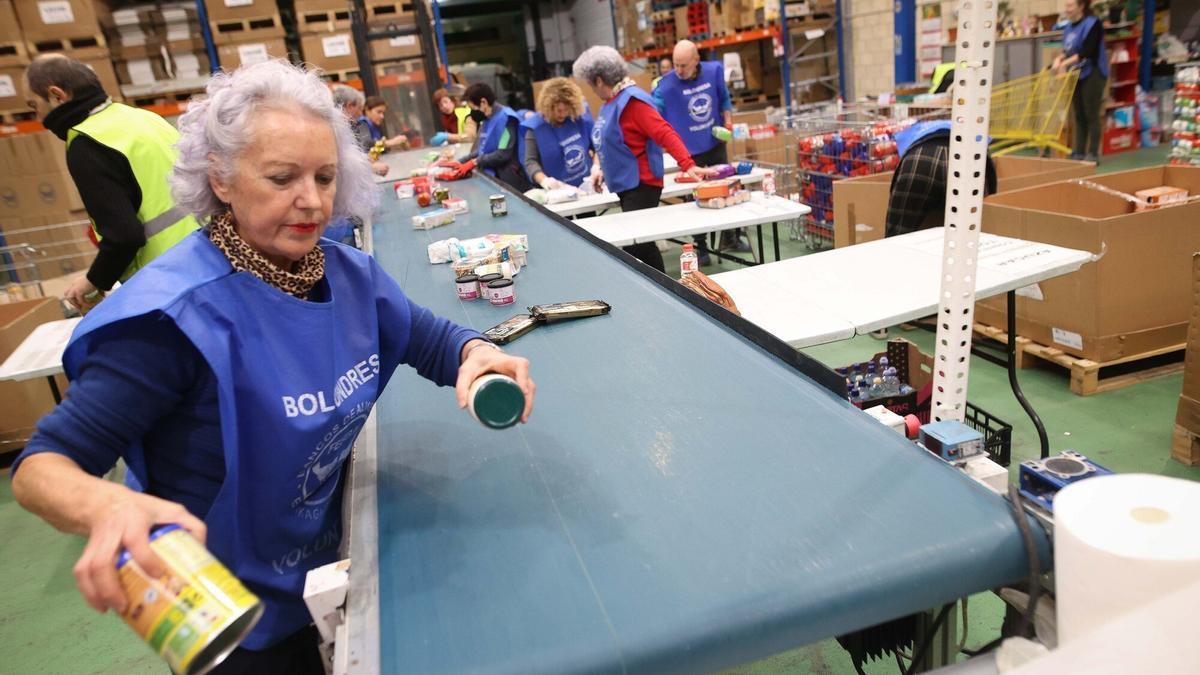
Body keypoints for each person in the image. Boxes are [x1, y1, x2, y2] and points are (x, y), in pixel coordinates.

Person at [9, 60, 536, 673]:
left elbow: (430, 337)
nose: (310, 201)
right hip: (224, 610)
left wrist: (479, 353)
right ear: (222, 178)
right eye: (282, 177)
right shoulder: (172, 322)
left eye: (325, 176)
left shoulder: (344, 274)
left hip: (325, 561)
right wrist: (107, 507)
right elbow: (40, 468)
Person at [23, 54, 199, 311]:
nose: (37, 116)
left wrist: (93, 280)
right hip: (207, 256)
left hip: (168, 283)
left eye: (33, 105)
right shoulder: (141, 117)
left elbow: (124, 236)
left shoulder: (87, 144)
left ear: (57, 96)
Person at [572, 46, 713, 273]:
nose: (592, 89)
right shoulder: (612, 102)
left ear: (599, 80)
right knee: (640, 245)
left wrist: (688, 165)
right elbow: (608, 140)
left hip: (642, 184)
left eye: (590, 84)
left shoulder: (633, 102)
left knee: (637, 245)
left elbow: (664, 132)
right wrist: (599, 168)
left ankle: (665, 291)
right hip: (627, 184)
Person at [653, 40, 743, 259]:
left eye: (683, 65)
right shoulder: (665, 87)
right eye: (675, 64)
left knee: (725, 189)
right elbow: (653, 117)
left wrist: (728, 123)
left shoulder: (714, 71)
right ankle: (701, 247)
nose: (678, 70)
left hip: (714, 144)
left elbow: (724, 100)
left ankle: (730, 237)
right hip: (689, 154)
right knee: (694, 200)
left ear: (696, 60)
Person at [885, 120, 997, 238]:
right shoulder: (972, 126)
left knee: (898, 233)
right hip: (968, 160)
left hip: (921, 158)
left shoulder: (907, 131)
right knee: (973, 234)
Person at [1052, 0, 1107, 162]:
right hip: (1076, 73)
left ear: (1081, 7)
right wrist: (1058, 60)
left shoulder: (1092, 24)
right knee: (1079, 113)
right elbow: (1067, 50)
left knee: (1091, 113)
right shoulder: (1069, 27)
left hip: (1093, 72)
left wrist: (1065, 63)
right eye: (1066, 6)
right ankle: (1079, 150)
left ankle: (1093, 152)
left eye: (1070, 6)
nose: (1067, 9)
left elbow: (1087, 51)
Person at [520, 77, 596, 190]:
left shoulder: (579, 118)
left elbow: (597, 146)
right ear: (549, 107)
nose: (563, 114)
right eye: (559, 110)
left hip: (587, 186)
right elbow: (530, 162)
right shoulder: (535, 128)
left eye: (567, 110)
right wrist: (544, 180)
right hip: (558, 191)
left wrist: (597, 167)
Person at [457, 83, 533, 192]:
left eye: (473, 108)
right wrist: (460, 162)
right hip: (492, 177)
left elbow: (503, 154)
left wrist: (475, 162)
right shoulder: (487, 119)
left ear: (483, 102)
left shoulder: (506, 120)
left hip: (510, 181)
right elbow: (483, 149)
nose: (472, 112)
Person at [331, 84, 389, 178]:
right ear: (350, 106)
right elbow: (339, 164)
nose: (360, 114)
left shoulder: (344, 127)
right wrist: (370, 167)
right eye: (359, 108)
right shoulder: (334, 129)